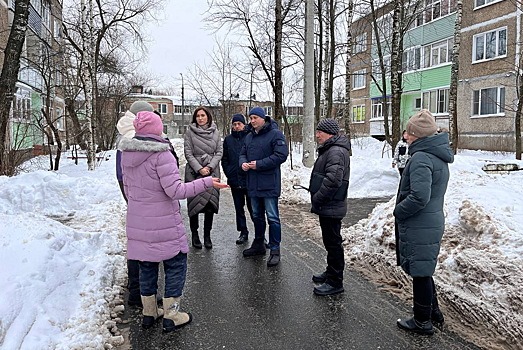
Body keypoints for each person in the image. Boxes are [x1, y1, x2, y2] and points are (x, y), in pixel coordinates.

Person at [119, 111, 228, 332]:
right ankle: (172, 314)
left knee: (147, 264)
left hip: (138, 221)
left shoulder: (127, 154)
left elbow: (128, 191)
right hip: (164, 222)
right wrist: (206, 182)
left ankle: (149, 313)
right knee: (176, 264)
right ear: (156, 129)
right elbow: (176, 190)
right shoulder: (162, 154)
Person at [394, 109, 454, 335]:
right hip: (430, 220)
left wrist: (399, 211)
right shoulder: (436, 154)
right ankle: (433, 313)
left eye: (409, 133)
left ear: (417, 135)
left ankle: (422, 321)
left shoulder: (421, 157)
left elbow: (419, 196)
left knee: (420, 273)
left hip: (420, 222)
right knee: (424, 270)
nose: (406, 137)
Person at [115, 100, 154, 308]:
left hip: (135, 199)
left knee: (136, 244)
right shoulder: (133, 137)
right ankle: (139, 292)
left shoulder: (126, 133)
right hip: (142, 200)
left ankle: (136, 289)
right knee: (142, 247)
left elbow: (121, 176)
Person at [239, 106, 288, 267]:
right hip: (253, 184)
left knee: (272, 218)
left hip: (269, 184)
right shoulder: (249, 137)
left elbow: (281, 155)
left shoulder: (275, 134)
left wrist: (258, 165)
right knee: (257, 216)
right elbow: (242, 154)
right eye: (250, 118)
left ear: (263, 118)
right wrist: (243, 163)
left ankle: (275, 249)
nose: (252, 121)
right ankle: (259, 244)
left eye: (255, 118)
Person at [309, 118, 351, 296]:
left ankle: (335, 282)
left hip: (331, 204)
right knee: (330, 241)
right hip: (329, 204)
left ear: (330, 134)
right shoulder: (331, 149)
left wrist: (317, 198)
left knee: (333, 243)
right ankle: (331, 272)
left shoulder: (336, 151)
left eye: (320, 132)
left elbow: (333, 180)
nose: (317, 135)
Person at [184, 107, 223, 249]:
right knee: (194, 205)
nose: (200, 118)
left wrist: (210, 167)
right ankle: (195, 234)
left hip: (212, 171)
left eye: (203, 115)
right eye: (198, 116)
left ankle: (207, 236)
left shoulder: (215, 132)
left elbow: (219, 152)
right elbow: (188, 153)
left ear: (208, 117)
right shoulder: (189, 133)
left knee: (209, 206)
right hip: (194, 172)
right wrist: (200, 168)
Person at [222, 113, 254, 245]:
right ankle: (243, 232)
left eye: (239, 124)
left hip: (249, 180)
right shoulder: (228, 140)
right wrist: (229, 172)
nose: (236, 126)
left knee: (254, 208)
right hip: (235, 180)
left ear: (244, 124)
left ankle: (260, 233)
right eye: (234, 124)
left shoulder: (250, 137)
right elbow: (224, 159)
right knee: (239, 208)